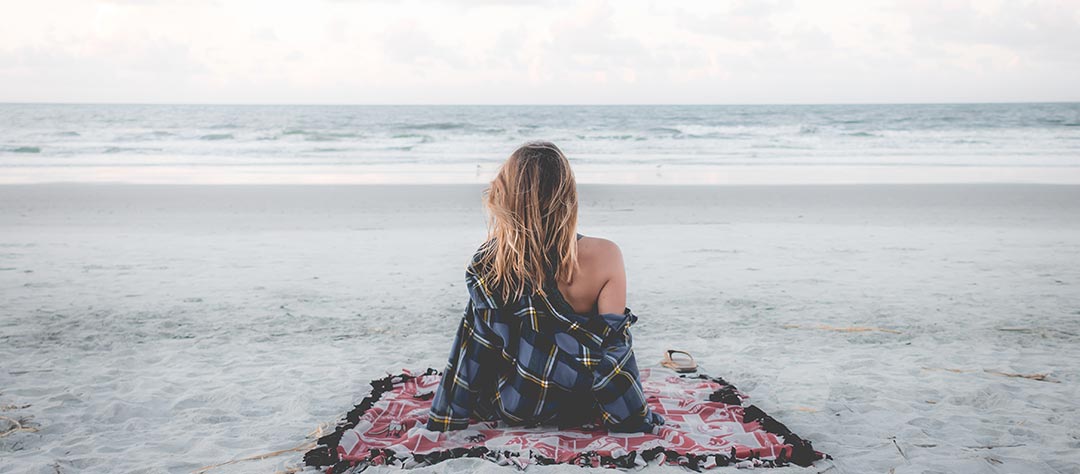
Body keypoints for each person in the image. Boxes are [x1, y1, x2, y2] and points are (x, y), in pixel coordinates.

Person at [426, 141, 663, 433]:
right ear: (567, 195)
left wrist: (445, 421)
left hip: (517, 406)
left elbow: (475, 349)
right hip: (584, 406)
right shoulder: (605, 255)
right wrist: (632, 417)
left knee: (478, 322)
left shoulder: (491, 260)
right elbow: (613, 352)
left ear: (510, 197)